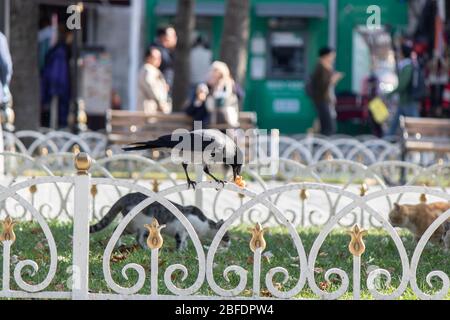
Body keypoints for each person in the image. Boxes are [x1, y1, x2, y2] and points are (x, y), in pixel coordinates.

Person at [386, 42, 420, 137]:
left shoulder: (407, 67)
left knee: (415, 125)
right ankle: (387, 138)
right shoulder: (407, 65)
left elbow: (402, 85)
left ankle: (419, 142)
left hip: (408, 100)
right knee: (396, 123)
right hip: (405, 101)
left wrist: (389, 94)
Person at [308, 47, 344, 136]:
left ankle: (320, 146)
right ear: (326, 56)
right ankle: (322, 147)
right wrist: (333, 80)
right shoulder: (320, 67)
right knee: (328, 127)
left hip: (325, 100)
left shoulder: (325, 67)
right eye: (331, 56)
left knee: (325, 125)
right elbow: (322, 85)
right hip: (322, 100)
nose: (332, 59)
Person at [205, 61, 240, 128]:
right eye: (213, 71)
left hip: (227, 115)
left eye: (216, 71)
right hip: (213, 115)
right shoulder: (209, 84)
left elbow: (239, 95)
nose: (214, 73)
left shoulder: (230, 83)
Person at [137, 46, 171, 114]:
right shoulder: (147, 69)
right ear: (148, 57)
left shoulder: (153, 70)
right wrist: (160, 103)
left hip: (153, 109)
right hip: (150, 109)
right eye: (156, 58)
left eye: (159, 58)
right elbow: (151, 88)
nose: (159, 60)